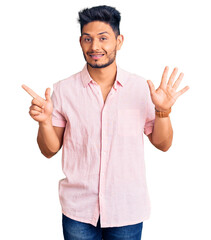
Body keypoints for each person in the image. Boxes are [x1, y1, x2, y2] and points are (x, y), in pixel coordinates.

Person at [22, 5, 189, 240]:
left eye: (103, 38)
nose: (95, 47)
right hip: (78, 211)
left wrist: (162, 111)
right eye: (88, 39)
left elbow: (163, 144)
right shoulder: (63, 90)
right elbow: (49, 150)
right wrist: (44, 123)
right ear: (80, 42)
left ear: (119, 41)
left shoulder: (142, 89)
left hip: (127, 210)